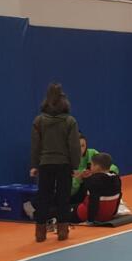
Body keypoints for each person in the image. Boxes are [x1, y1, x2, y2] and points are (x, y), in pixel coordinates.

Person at [30, 83, 81, 242]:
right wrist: (75, 165)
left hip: (45, 163)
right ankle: (62, 232)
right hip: (64, 164)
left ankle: (40, 233)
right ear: (64, 100)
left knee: (43, 196)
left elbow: (36, 145)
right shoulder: (70, 121)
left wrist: (34, 165)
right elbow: (74, 146)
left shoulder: (39, 121)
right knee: (63, 197)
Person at [70, 134, 120, 204]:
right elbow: (68, 192)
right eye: (77, 146)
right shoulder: (65, 160)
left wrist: (95, 172)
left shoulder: (92, 153)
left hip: (94, 191)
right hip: (74, 195)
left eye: (83, 145)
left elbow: (113, 168)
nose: (80, 149)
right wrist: (78, 178)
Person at [74, 152, 121, 224]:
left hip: (88, 215)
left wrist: (90, 220)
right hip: (108, 214)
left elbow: (94, 201)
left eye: (91, 165)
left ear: (97, 167)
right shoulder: (116, 178)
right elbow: (119, 196)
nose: (90, 167)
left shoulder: (94, 180)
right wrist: (113, 213)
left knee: (61, 211)